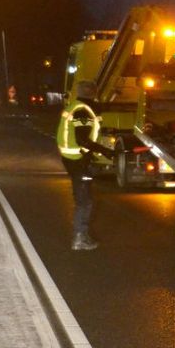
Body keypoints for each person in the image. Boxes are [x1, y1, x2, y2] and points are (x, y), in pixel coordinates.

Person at [57, 80, 115, 251]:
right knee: (85, 201)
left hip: (72, 158)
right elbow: (82, 139)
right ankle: (79, 238)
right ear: (94, 93)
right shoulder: (83, 111)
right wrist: (105, 151)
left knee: (83, 197)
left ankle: (81, 235)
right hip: (77, 161)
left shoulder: (74, 106)